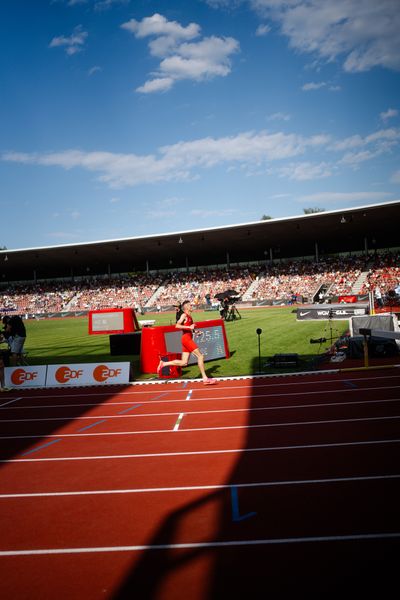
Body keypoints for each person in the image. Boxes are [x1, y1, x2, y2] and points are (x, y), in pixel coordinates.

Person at [157, 300, 216, 385]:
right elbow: (177, 325)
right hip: (186, 339)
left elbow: (189, 328)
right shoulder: (184, 315)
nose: (192, 306)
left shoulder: (190, 317)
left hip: (186, 338)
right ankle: (205, 378)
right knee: (200, 356)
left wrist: (196, 332)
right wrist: (189, 327)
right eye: (190, 305)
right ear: (186, 307)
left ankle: (164, 363)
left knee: (184, 362)